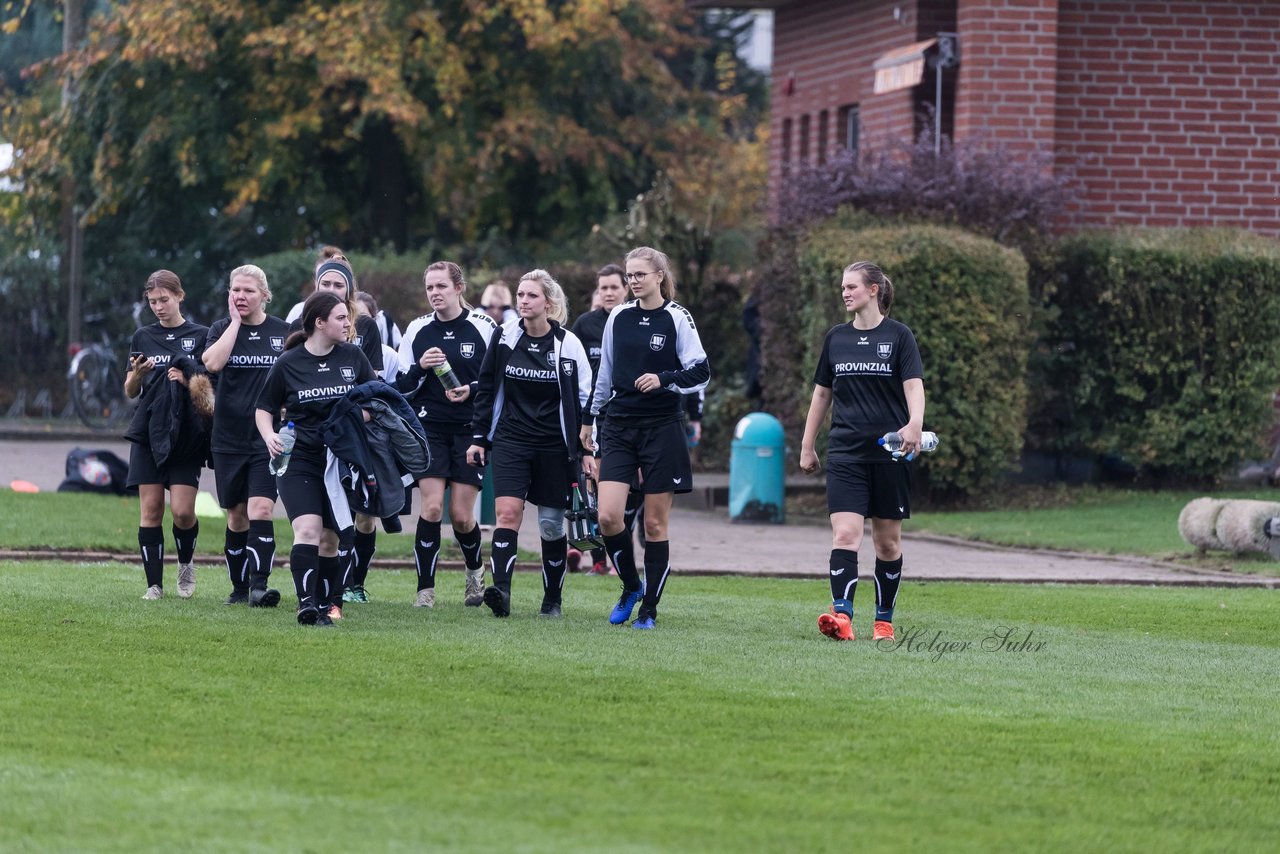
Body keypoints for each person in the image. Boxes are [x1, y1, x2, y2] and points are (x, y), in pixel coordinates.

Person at [578, 247, 710, 630]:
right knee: (607, 516)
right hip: (619, 425)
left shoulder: (677, 317)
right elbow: (604, 377)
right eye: (629, 275)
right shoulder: (618, 316)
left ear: (658, 276)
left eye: (639, 275)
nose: (632, 281)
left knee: (654, 525)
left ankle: (649, 610)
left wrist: (664, 379)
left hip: (662, 427)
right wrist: (589, 420)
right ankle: (631, 586)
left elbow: (701, 372)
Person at [799, 261, 925, 643]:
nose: (845, 292)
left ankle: (883, 621)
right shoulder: (836, 338)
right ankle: (842, 617)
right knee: (846, 535)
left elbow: (914, 386)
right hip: (845, 453)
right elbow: (822, 393)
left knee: (887, 542)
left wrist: (915, 423)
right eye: (842, 287)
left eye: (852, 286)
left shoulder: (899, 336)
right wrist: (808, 445)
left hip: (890, 454)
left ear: (873, 290)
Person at [468, 269, 592, 619]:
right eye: (520, 295)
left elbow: (584, 400)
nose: (523, 301)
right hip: (511, 440)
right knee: (507, 514)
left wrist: (586, 450)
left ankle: (552, 600)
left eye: (531, 295)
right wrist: (479, 437)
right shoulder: (505, 336)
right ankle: (501, 593)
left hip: (555, 446)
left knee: (551, 525)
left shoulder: (568, 344)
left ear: (548, 303)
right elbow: (487, 386)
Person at [256, 291, 376, 626]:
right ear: (319, 323)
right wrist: (270, 435)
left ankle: (327, 606)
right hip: (299, 459)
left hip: (340, 461)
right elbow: (264, 408)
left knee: (331, 538)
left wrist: (357, 418)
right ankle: (306, 605)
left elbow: (377, 401)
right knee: (307, 529)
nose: (347, 323)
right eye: (340, 318)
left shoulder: (353, 357)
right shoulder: (288, 363)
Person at [396, 261, 498, 608]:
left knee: (461, 515)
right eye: (429, 288)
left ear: (459, 288)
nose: (435, 293)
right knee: (433, 506)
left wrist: (469, 389)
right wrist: (420, 366)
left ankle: (474, 572)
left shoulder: (483, 327)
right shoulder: (417, 330)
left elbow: (496, 381)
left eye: (441, 286)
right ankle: (425, 590)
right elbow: (402, 385)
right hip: (430, 427)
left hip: (470, 429)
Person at [289, 252, 383, 613]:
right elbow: (285, 384)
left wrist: (358, 417)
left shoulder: (365, 330)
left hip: (350, 444)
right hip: (306, 444)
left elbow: (374, 390)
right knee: (312, 528)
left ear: (350, 289)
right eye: (325, 283)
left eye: (338, 284)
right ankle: (312, 600)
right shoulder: (299, 325)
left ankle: (344, 591)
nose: (331, 289)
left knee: (352, 522)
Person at [202, 264, 291, 607]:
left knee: (261, 509)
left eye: (249, 291)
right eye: (235, 290)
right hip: (227, 438)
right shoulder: (221, 329)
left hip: (268, 439)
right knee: (236, 514)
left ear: (265, 296)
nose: (241, 296)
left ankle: (259, 586)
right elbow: (211, 364)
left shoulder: (283, 331)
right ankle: (238, 588)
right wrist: (236, 324)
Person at [123, 270, 211, 600]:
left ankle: (186, 566)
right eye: (153, 302)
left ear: (179, 296)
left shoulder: (201, 335)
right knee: (151, 510)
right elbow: (130, 390)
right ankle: (154, 586)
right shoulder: (142, 336)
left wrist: (186, 377)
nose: (159, 307)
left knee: (184, 512)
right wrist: (137, 374)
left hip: (186, 434)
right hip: (149, 431)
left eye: (164, 300)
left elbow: (207, 387)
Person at [569, 263, 629, 574]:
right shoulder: (585, 325)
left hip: (626, 416)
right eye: (603, 288)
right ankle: (596, 558)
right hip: (591, 417)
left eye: (614, 287)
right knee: (593, 486)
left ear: (625, 289)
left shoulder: (633, 321)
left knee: (618, 491)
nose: (608, 292)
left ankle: (616, 556)